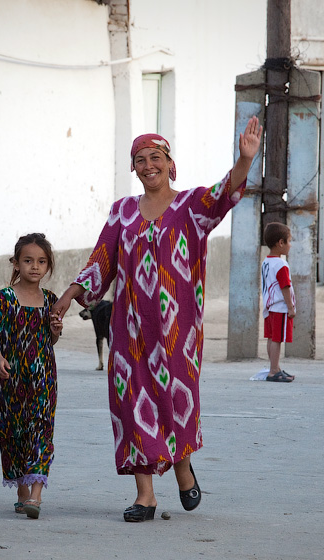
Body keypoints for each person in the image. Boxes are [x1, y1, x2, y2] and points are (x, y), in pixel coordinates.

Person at [50, 117, 263, 523]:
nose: (148, 165)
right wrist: (68, 296)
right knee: (131, 403)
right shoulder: (123, 211)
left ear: (170, 163)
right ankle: (144, 496)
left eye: (156, 157)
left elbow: (223, 195)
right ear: (134, 168)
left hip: (178, 331)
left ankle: (183, 468)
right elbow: (103, 259)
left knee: (175, 400)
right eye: (140, 159)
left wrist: (245, 159)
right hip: (129, 330)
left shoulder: (191, 207)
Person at [0, 233, 63, 520]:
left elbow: (49, 341)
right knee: (15, 435)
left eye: (41, 261)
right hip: (13, 380)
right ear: (16, 263)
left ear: (48, 266)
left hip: (43, 380)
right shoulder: (4, 298)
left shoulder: (51, 300)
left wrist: (54, 330)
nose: (35, 267)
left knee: (42, 430)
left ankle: (36, 495)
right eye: (28, 260)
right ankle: (21, 490)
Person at [261, 222, 296, 383]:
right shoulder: (281, 264)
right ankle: (274, 370)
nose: (290, 245)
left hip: (269, 306)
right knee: (277, 339)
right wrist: (290, 307)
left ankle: (274, 367)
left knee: (271, 337)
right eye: (289, 241)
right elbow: (285, 287)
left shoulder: (266, 262)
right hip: (280, 307)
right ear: (280, 243)